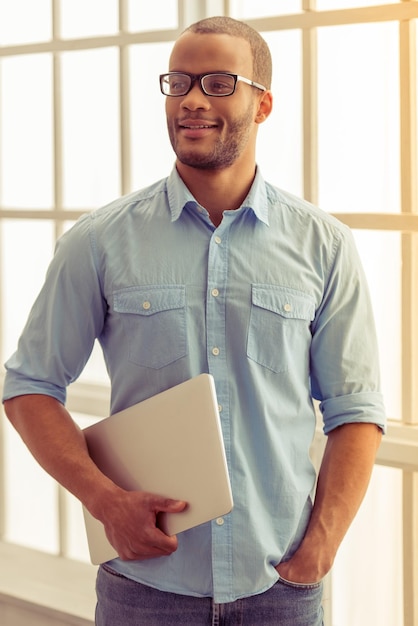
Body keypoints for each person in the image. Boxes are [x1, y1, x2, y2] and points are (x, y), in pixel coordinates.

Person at [2, 15, 385, 626]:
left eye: (217, 82)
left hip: (279, 590)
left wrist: (323, 546)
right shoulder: (99, 242)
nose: (192, 100)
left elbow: (356, 410)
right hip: (143, 592)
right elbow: (28, 387)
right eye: (178, 82)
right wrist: (104, 501)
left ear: (262, 105)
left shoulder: (325, 247)